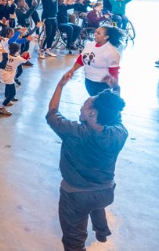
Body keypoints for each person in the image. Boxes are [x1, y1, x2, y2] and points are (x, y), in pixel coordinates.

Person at [46, 72, 128, 251]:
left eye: (84, 104)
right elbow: (115, 114)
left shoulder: (74, 132)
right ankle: (102, 231)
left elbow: (52, 114)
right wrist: (116, 89)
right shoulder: (120, 133)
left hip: (75, 195)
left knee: (74, 242)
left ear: (91, 113)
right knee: (96, 203)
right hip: (105, 191)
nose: (81, 107)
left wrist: (60, 85)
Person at [64, 26, 122, 96]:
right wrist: (72, 70)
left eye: (98, 33)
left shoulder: (111, 52)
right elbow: (81, 59)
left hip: (101, 85)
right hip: (88, 81)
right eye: (95, 31)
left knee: (98, 105)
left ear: (106, 37)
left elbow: (114, 72)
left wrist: (116, 90)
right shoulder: (90, 44)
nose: (95, 34)